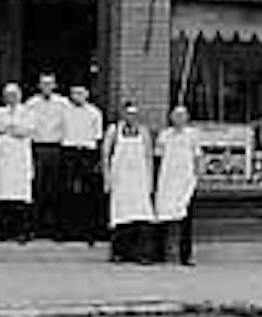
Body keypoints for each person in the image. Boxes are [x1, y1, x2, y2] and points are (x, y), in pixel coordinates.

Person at [101, 100, 156, 263]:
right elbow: (105, 155)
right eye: (128, 113)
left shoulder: (144, 131)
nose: (131, 116)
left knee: (142, 216)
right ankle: (119, 253)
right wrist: (107, 178)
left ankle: (142, 254)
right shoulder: (113, 130)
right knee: (120, 217)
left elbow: (148, 157)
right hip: (120, 179)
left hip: (139, 180)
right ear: (122, 114)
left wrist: (150, 181)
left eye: (134, 113)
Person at [154, 105, 202, 265]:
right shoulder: (164, 135)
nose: (179, 119)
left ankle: (186, 256)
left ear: (187, 118)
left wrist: (196, 177)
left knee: (186, 220)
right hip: (167, 180)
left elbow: (197, 157)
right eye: (176, 116)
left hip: (185, 181)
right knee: (163, 217)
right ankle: (160, 254)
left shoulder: (193, 135)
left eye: (182, 116)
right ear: (171, 118)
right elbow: (158, 157)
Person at [0, 82, 35, 243]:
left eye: (14, 95)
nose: (11, 98)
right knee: (2, 195)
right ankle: (1, 231)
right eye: (8, 95)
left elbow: (27, 130)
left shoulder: (27, 111)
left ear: (20, 96)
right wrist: (11, 128)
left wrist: (8, 128)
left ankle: (22, 232)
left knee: (21, 196)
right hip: (3, 160)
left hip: (20, 159)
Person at [24, 72, 70, 238]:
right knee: (37, 187)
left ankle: (54, 228)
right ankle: (35, 227)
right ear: (39, 86)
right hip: (37, 147)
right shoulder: (31, 103)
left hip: (56, 148)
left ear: (55, 85)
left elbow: (69, 124)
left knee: (55, 188)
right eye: (43, 84)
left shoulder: (63, 103)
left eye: (50, 84)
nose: (47, 87)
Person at [62, 82, 105, 245]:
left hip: (87, 153)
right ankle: (68, 231)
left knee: (89, 194)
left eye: (81, 93)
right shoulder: (64, 112)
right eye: (74, 93)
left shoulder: (94, 112)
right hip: (69, 152)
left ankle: (88, 232)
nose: (77, 96)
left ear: (87, 94)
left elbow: (97, 136)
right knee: (67, 192)